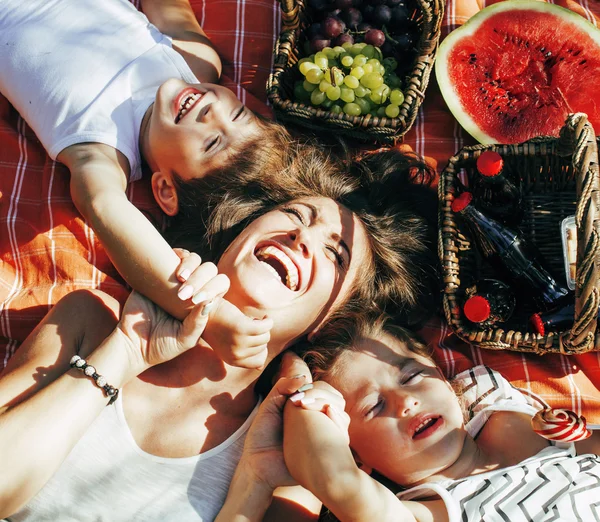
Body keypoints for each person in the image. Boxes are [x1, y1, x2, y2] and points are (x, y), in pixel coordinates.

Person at [0, 143, 439, 521]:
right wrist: (126, 351)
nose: (301, 237)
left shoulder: (291, 452)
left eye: (335, 254)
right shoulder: (90, 322)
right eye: (293, 214)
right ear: (238, 235)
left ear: (327, 321)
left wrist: (253, 481)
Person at [0, 0, 296, 361]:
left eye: (211, 141)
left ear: (165, 190)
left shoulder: (101, 149)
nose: (212, 109)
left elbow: (106, 208)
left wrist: (205, 313)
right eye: (237, 112)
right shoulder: (198, 62)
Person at [277, 312, 600, 521]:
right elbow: (331, 477)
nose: (405, 402)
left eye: (411, 377)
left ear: (441, 376)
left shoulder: (500, 404)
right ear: (357, 457)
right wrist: (300, 390)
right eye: (374, 407)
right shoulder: (423, 514)